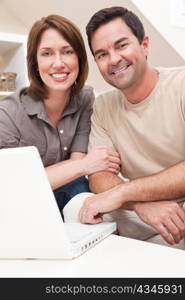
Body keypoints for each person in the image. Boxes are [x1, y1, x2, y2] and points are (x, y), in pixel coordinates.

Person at [68, 6, 185, 249]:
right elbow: (100, 175)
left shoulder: (180, 84)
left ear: (144, 45)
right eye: (102, 54)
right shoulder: (103, 106)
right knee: (78, 205)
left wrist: (122, 193)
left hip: (180, 210)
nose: (113, 59)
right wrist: (141, 205)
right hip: (140, 212)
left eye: (121, 45)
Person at [0, 14, 121, 216]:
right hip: (19, 205)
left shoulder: (86, 99)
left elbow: (78, 168)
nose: (58, 63)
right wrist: (84, 164)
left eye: (67, 51)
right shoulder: (7, 114)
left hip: (68, 193)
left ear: (79, 59)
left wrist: (80, 166)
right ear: (34, 64)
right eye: (47, 54)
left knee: (86, 197)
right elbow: (13, 185)